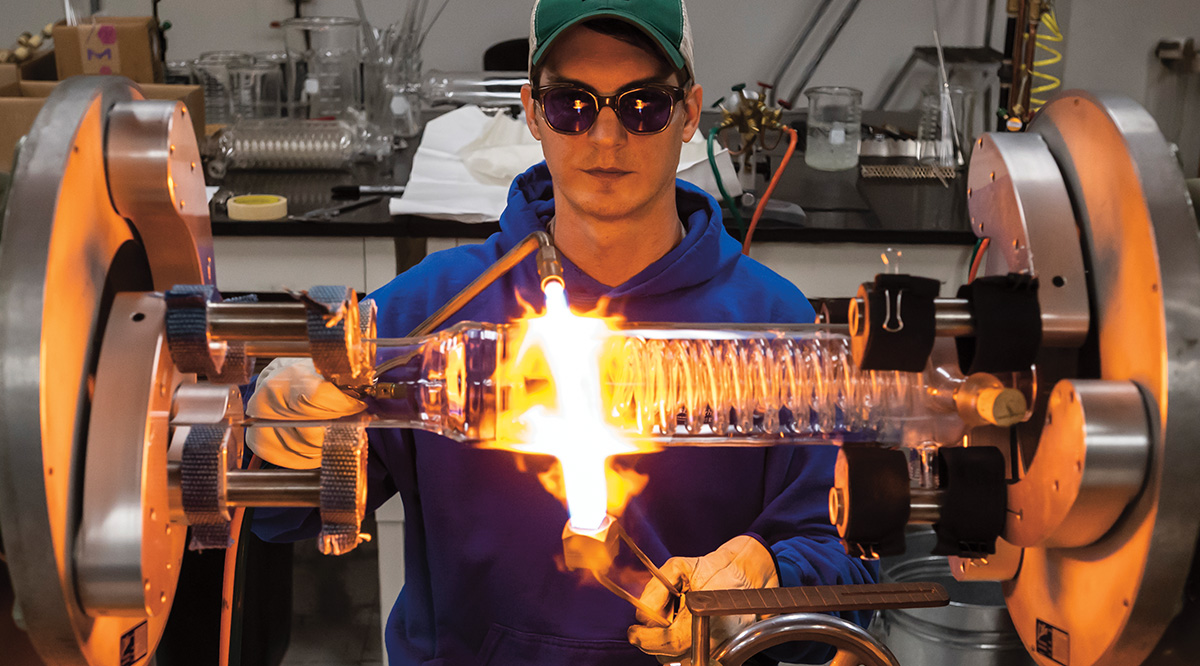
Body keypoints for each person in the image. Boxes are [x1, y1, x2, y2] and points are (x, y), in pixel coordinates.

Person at [248, 1, 876, 664]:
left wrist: (765, 581)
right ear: (532, 111)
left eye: (643, 106)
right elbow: (282, 514)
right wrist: (284, 434)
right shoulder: (437, 306)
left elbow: (848, 568)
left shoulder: (772, 324)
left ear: (690, 113)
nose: (605, 137)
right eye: (572, 105)